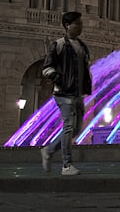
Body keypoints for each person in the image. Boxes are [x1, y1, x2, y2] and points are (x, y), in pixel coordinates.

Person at [40, 11, 93, 176]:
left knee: (76, 129)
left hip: (78, 94)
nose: (80, 26)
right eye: (77, 23)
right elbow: (47, 68)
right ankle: (66, 165)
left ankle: (48, 150)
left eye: (80, 23)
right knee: (69, 126)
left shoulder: (82, 46)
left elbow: (85, 68)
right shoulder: (58, 45)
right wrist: (60, 80)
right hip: (63, 94)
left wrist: (86, 85)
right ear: (67, 25)